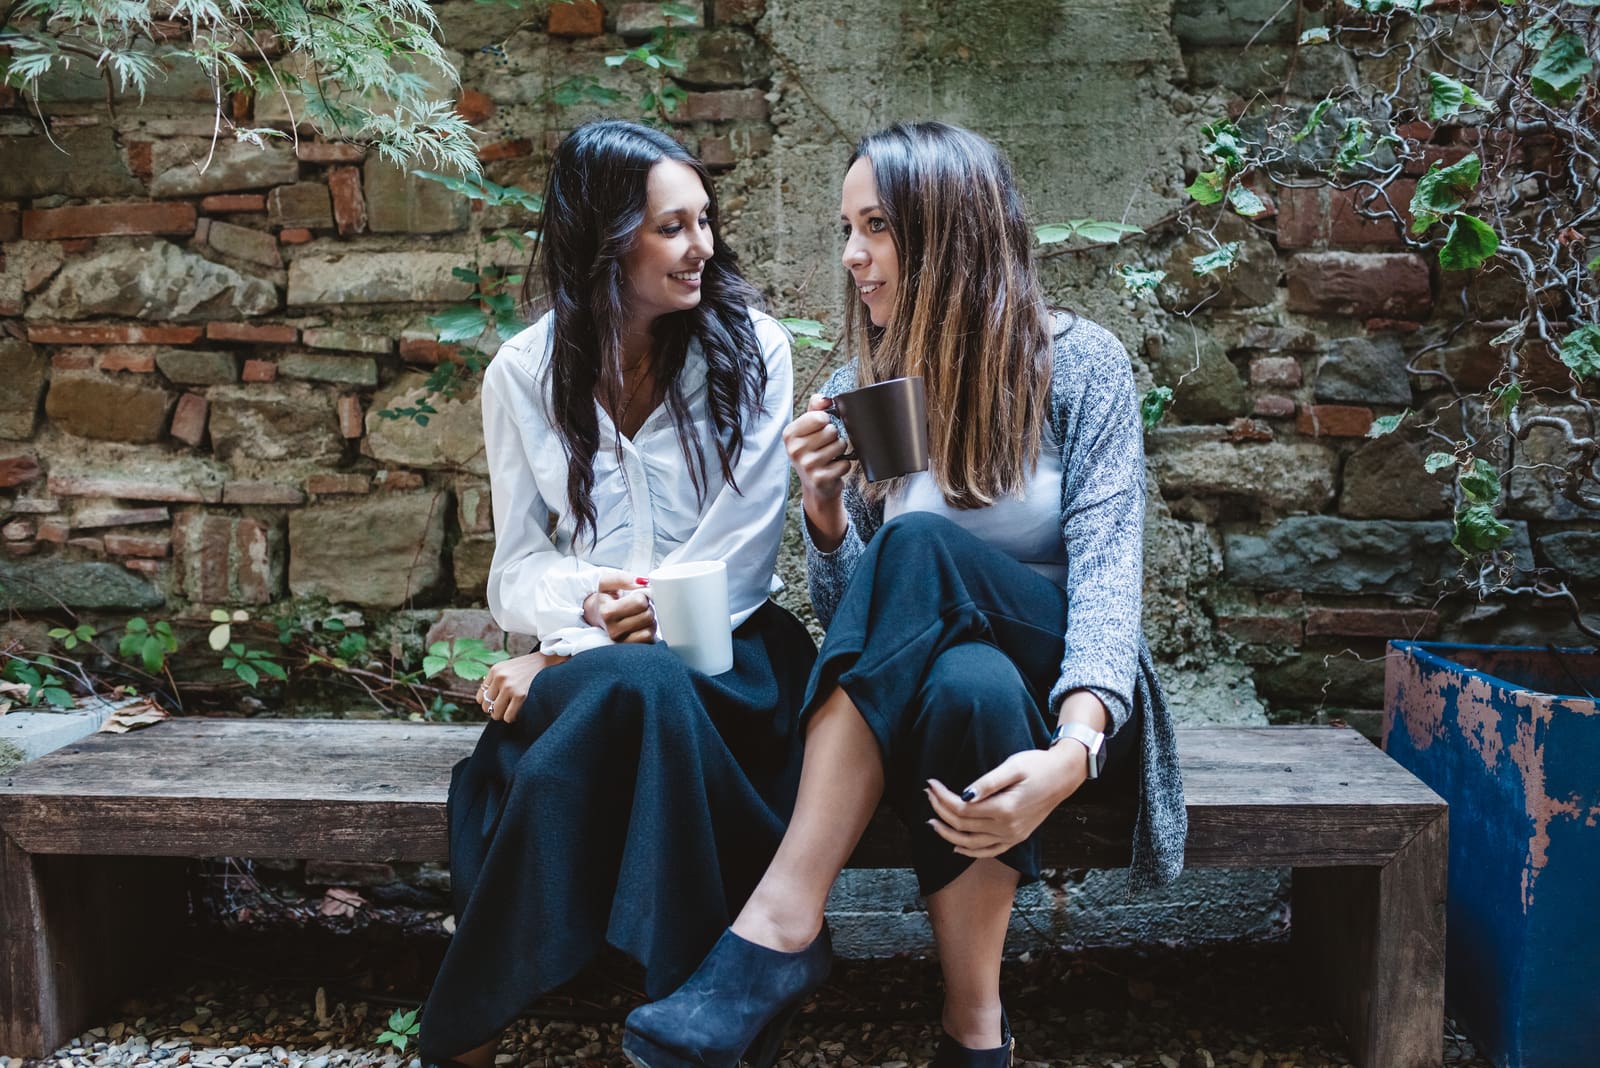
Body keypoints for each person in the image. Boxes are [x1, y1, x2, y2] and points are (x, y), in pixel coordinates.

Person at [622, 121, 1186, 1068]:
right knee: (966, 683)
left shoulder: (1080, 366)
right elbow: (862, 615)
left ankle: (782, 922)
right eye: (849, 228)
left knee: (924, 543)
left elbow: (1107, 580)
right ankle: (977, 1029)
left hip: (1069, 689)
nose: (852, 256)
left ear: (949, 229)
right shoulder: (865, 384)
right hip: (947, 689)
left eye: (876, 227)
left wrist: (1077, 749)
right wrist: (827, 508)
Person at [416, 119, 817, 1068]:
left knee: (639, 695)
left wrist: (570, 649)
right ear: (606, 239)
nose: (702, 247)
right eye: (671, 228)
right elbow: (516, 569)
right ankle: (702, 1005)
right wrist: (586, 611)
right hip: (594, 658)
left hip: (735, 658)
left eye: (705, 222)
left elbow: (747, 549)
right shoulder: (521, 372)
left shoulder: (753, 350)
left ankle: (469, 1016)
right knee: (640, 690)